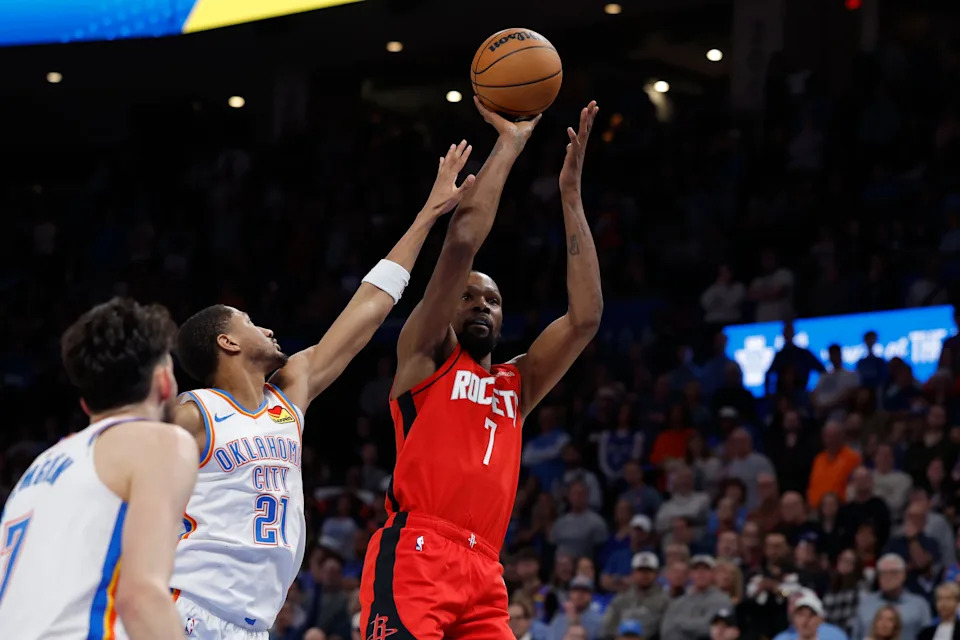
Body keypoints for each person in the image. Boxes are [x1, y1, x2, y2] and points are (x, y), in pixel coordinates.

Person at [171, 138, 478, 637]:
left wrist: (428, 215)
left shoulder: (289, 394)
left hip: (253, 623)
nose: (267, 328)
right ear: (227, 342)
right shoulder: (195, 411)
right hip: (187, 608)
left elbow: (369, 306)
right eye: (249, 322)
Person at [359, 100, 603, 640]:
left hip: (486, 569)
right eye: (468, 297)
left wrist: (569, 196)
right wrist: (509, 145)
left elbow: (585, 319)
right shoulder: (426, 354)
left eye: (492, 300)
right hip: (419, 552)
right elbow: (463, 241)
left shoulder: (517, 385)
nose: (480, 306)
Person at [0, 298, 198, 639]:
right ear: (164, 381)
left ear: (86, 403)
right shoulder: (160, 442)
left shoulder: (40, 466)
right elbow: (141, 598)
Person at [855, 554, 931, 640]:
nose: (887, 577)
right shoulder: (865, 604)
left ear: (903, 574)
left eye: (893, 572)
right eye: (883, 573)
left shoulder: (919, 605)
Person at [661, 555, 734, 640]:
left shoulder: (721, 600)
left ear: (713, 574)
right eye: (696, 569)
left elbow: (713, 629)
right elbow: (666, 631)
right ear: (690, 574)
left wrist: (680, 623)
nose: (701, 573)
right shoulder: (678, 602)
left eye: (705, 569)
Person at [602, 552, 669, 639]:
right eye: (641, 570)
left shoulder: (665, 601)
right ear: (633, 573)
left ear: (656, 574)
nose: (644, 575)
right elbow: (608, 629)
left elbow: (668, 631)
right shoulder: (620, 599)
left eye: (648, 571)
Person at [808, 420, 862, 508]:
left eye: (835, 436)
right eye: (828, 436)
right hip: (816, 509)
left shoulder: (853, 458)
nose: (831, 440)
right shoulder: (819, 459)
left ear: (842, 437)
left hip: (841, 509)